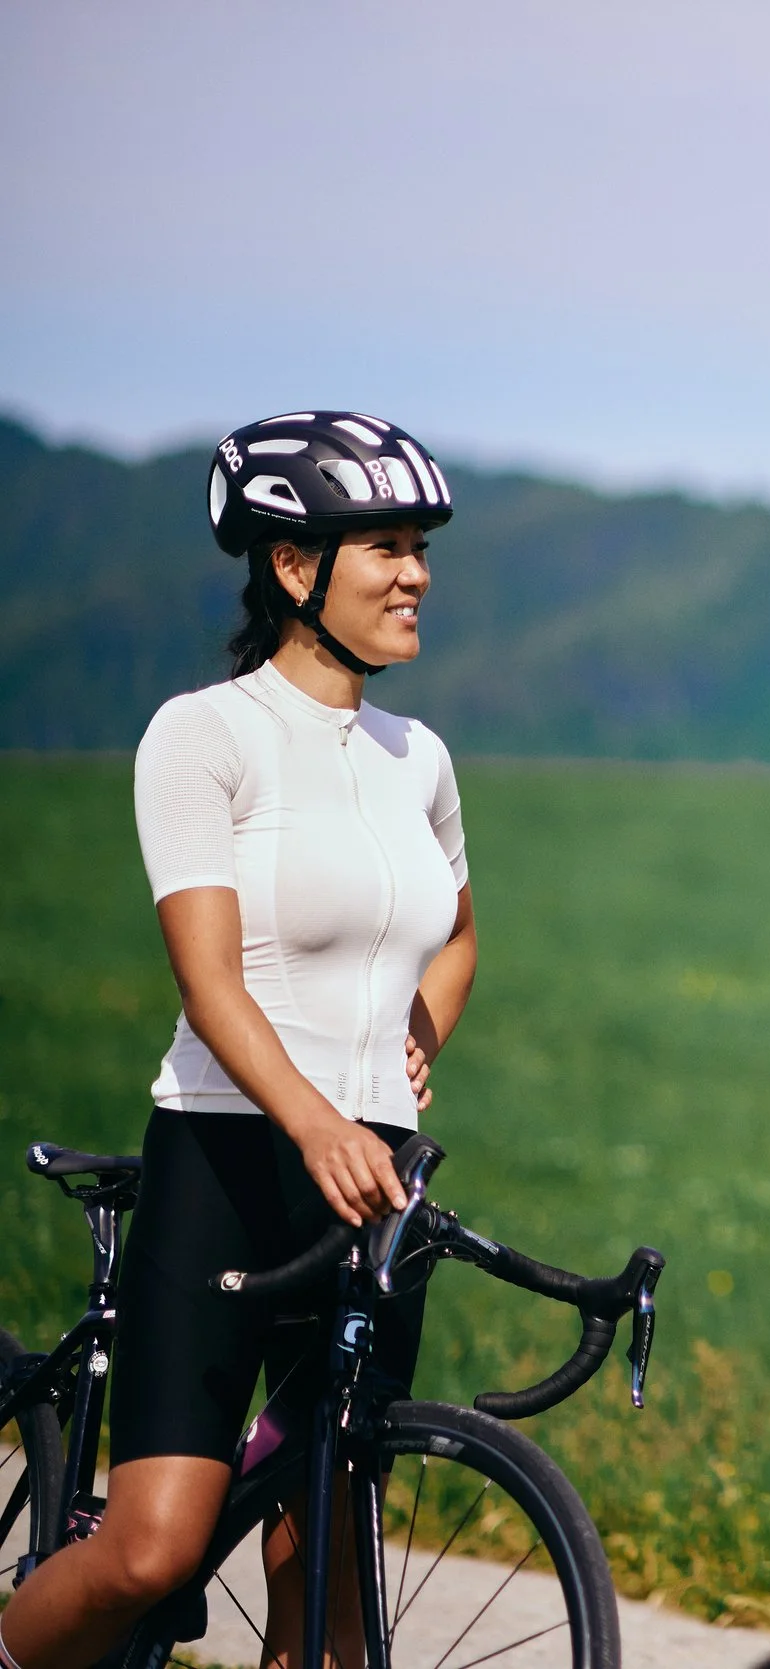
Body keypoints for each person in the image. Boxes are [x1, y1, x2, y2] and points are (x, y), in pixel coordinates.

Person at [0, 412, 475, 1669]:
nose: (417, 574)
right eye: (386, 547)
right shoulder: (205, 734)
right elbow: (211, 983)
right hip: (229, 1157)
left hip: (374, 1178)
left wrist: (416, 1036)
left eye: (421, 548)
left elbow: (460, 934)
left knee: (327, 1579)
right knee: (152, 1551)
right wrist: (314, 1118)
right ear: (293, 566)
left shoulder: (419, 759)